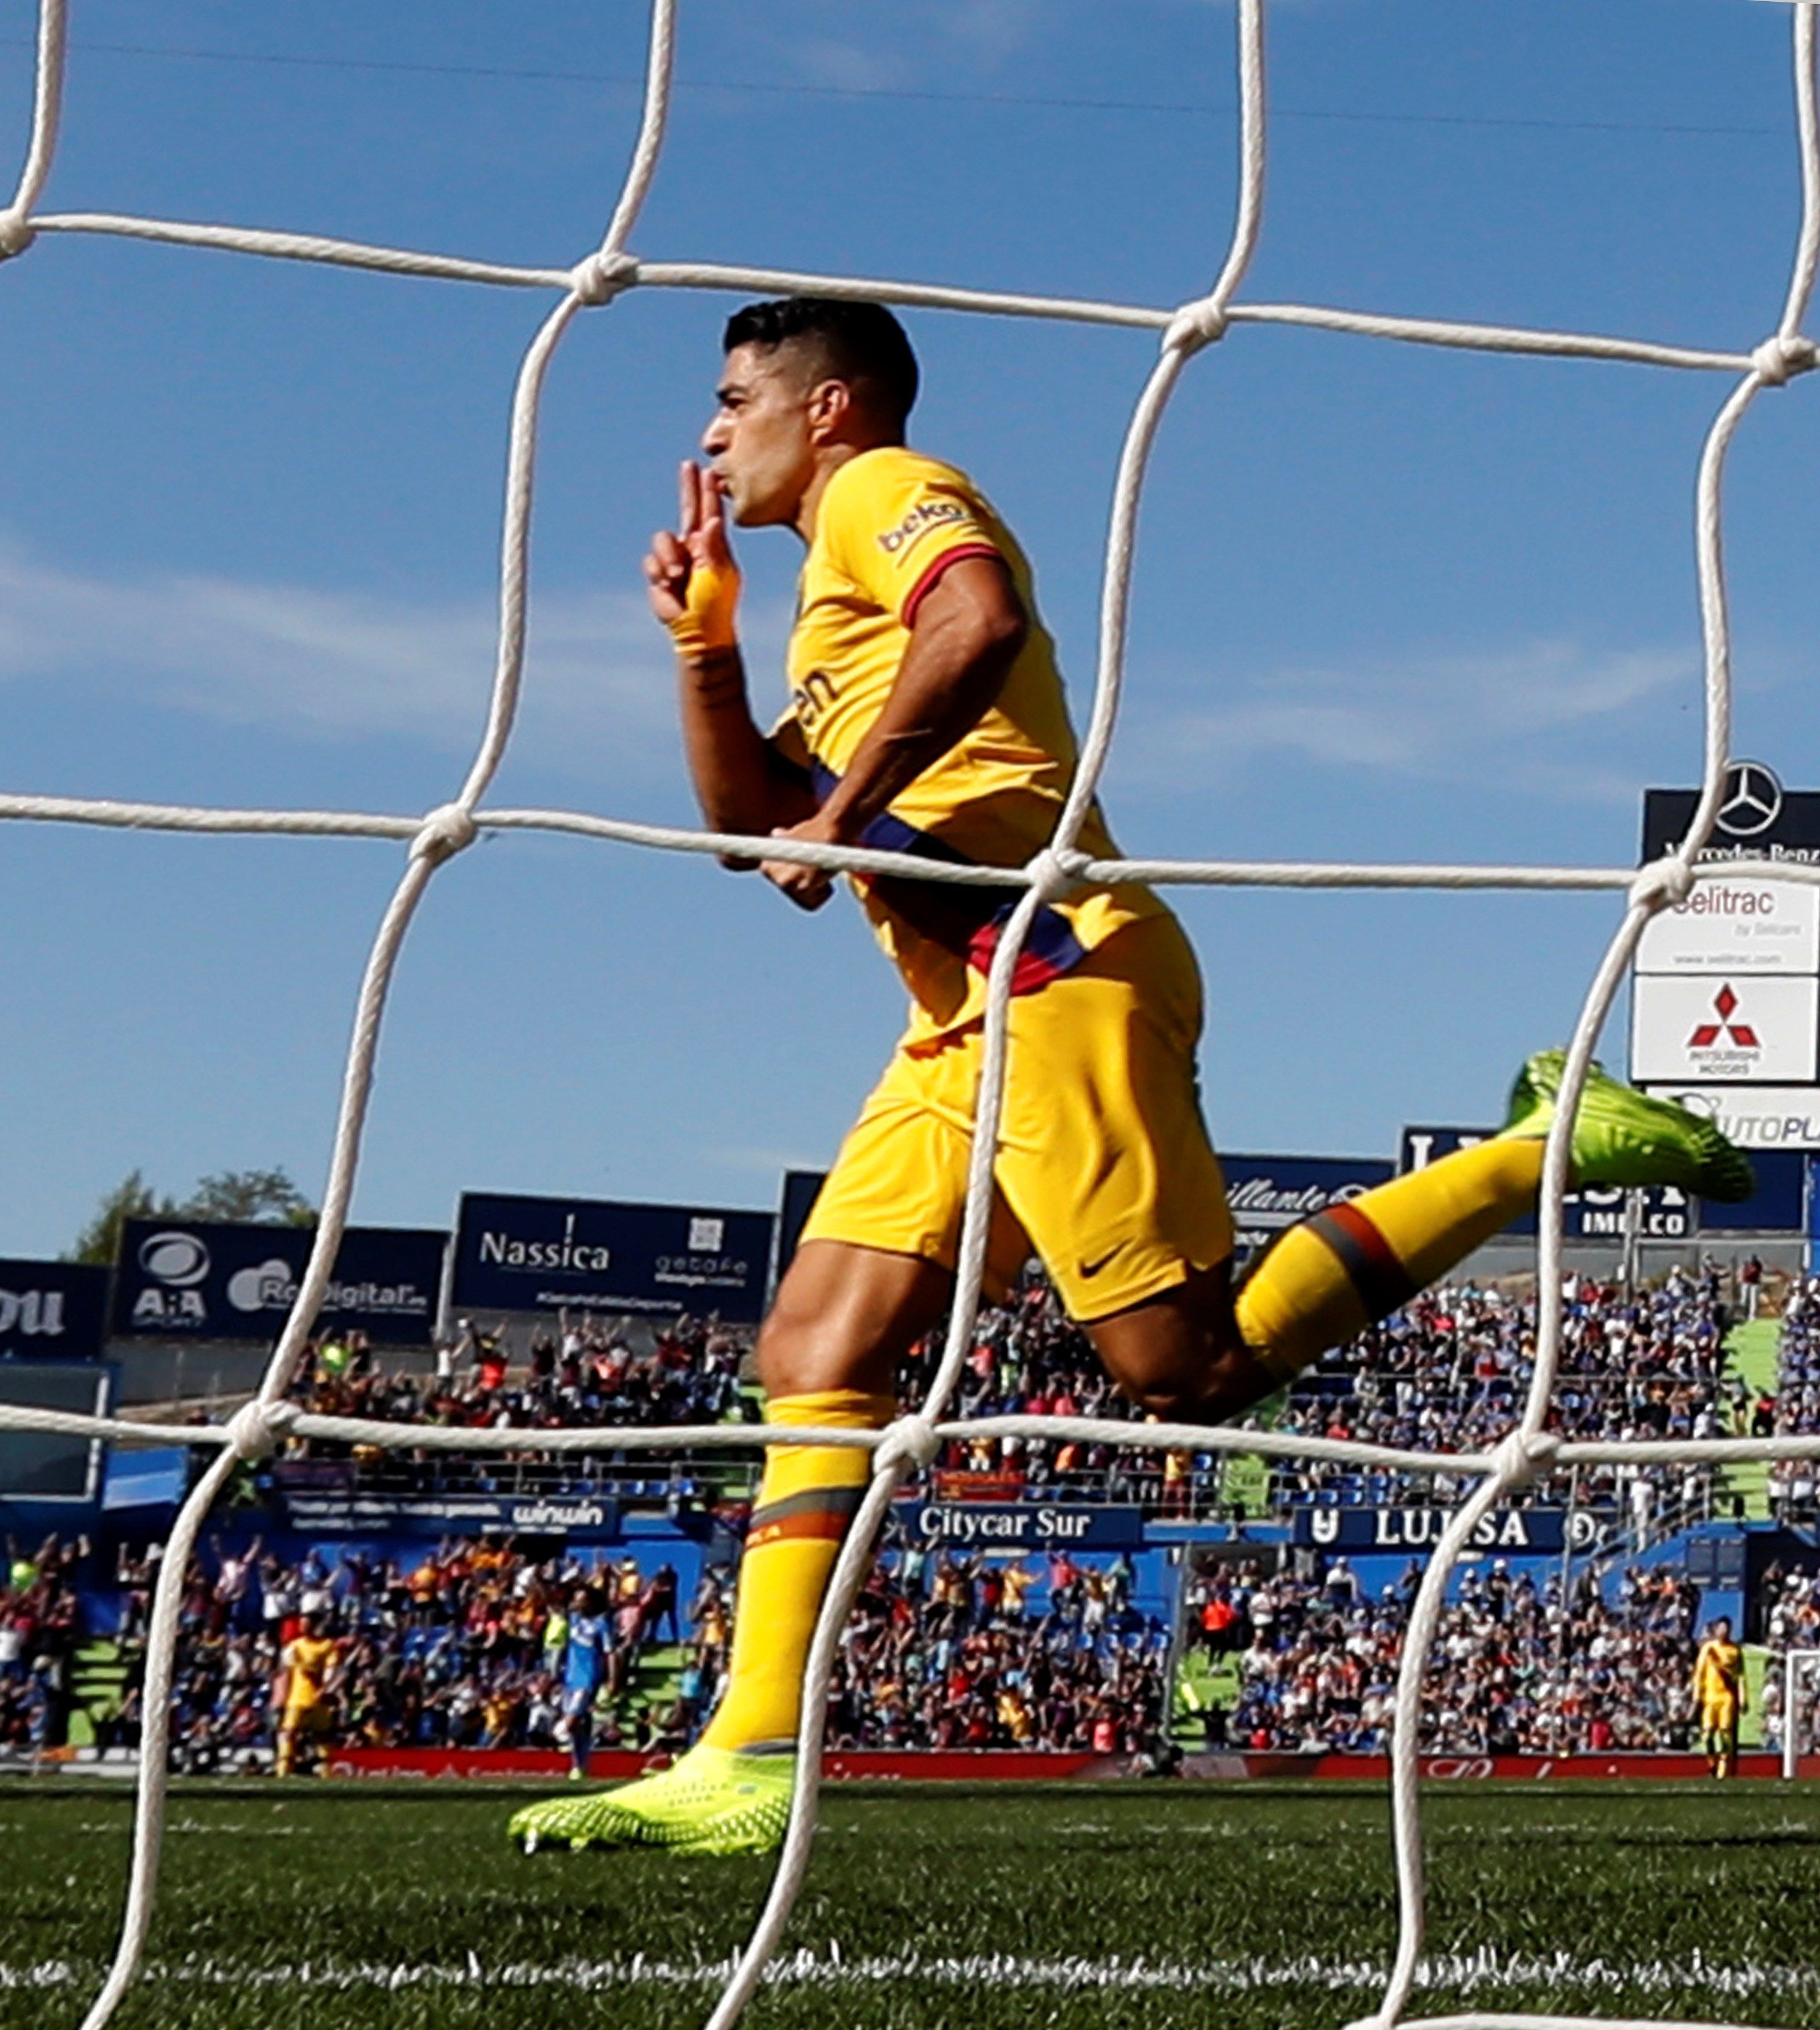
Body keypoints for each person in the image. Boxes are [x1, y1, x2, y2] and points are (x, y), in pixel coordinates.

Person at [510, 296, 1753, 1855]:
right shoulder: (823, 598)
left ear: (827, 410)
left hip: (1059, 971)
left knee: (1187, 1374)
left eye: (733, 398)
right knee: (815, 1341)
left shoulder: (887, 492)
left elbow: (983, 625)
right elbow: (750, 828)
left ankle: (1536, 1146)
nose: (709, 432)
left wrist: (852, 811)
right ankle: (749, 1759)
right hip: (962, 1011)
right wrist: (704, 642)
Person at [273, 1613, 341, 1777]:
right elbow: (286, 1672)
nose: (304, 1627)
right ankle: (282, 1771)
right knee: (289, 1732)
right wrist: (280, 1695)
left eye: (308, 1624)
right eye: (302, 1624)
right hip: (297, 1697)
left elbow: (332, 1669)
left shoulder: (326, 1646)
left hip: (318, 1697)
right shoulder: (294, 1646)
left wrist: (325, 1688)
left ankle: (327, 1772)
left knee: (323, 1736)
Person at [559, 1584, 613, 1779]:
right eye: (576, 1599)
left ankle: (578, 1761)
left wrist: (612, 1678)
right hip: (570, 1679)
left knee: (570, 1723)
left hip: (588, 1679)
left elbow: (610, 1652)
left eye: (582, 1600)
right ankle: (580, 1766)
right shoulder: (573, 1620)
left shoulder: (601, 1625)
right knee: (577, 1727)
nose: (578, 1603)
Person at [1692, 1615, 1745, 1778]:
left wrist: (1743, 1698)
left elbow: (1740, 1676)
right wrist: (1697, 1694)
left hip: (1727, 1697)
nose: (1724, 1631)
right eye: (1721, 1628)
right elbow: (1699, 1673)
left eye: (1727, 1628)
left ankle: (1723, 1771)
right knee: (1707, 1735)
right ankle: (1711, 1764)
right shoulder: (1708, 1649)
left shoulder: (1735, 1651)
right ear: (1715, 1630)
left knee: (1726, 1734)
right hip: (1710, 1697)